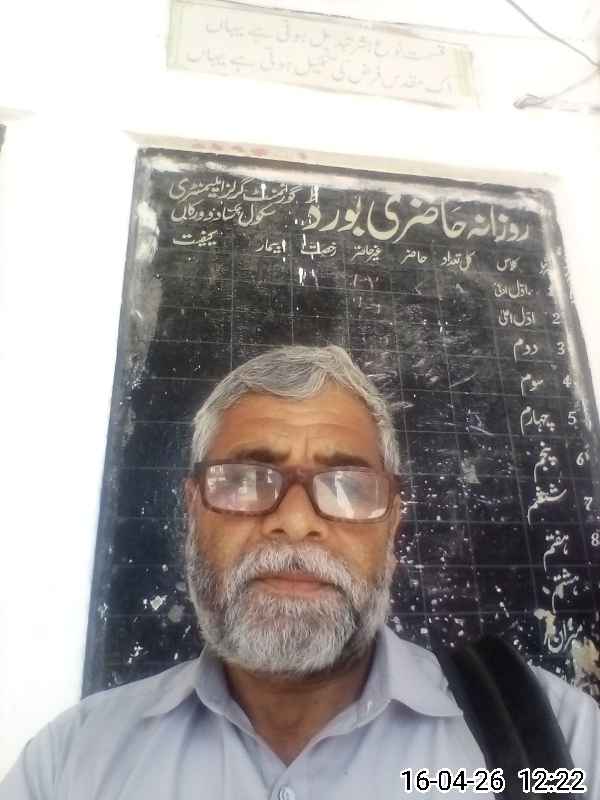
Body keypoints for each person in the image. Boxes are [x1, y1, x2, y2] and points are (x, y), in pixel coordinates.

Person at [2, 344, 599, 799]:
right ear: (193, 511)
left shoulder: (560, 745)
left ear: (392, 522)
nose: (294, 521)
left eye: (346, 485)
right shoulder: (71, 764)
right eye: (244, 479)